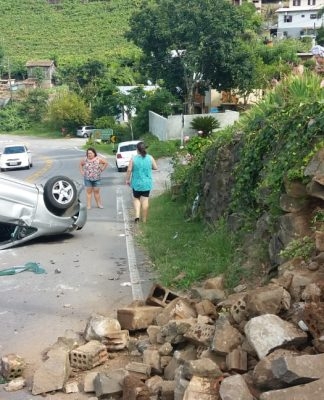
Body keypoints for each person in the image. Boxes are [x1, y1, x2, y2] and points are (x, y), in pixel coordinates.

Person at [125, 141, 157, 223]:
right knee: (145, 200)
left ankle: (137, 216)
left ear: (137, 149)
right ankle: (144, 220)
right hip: (146, 183)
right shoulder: (150, 157)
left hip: (136, 183)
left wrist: (127, 180)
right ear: (145, 148)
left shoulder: (133, 158)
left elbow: (129, 170)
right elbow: (155, 167)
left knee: (136, 199)